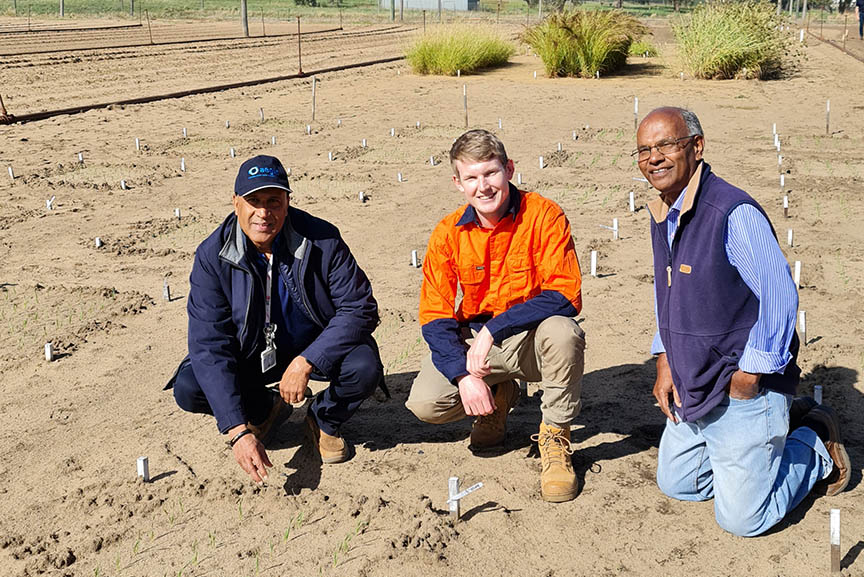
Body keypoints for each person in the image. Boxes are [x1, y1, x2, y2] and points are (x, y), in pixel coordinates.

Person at [638, 107, 851, 537]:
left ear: (696, 147)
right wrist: (665, 359)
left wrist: (751, 372)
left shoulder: (730, 212)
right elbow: (669, 296)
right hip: (694, 380)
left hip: (741, 384)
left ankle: (813, 444)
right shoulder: (665, 212)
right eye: (644, 149)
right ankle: (760, 446)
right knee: (678, 484)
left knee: (742, 519)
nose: (654, 158)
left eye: (666, 145)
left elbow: (779, 293)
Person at [166, 155, 383, 484]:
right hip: (252, 352)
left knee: (364, 367)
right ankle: (265, 411)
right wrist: (238, 431)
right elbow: (209, 343)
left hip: (311, 345)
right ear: (236, 202)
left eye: (273, 201)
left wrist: (308, 360)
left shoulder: (322, 239)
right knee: (190, 386)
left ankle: (322, 420)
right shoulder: (212, 256)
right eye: (253, 201)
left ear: (287, 202)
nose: (263, 213)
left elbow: (359, 307)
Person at [406, 129, 586, 503]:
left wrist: (493, 329)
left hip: (534, 340)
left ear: (509, 170)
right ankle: (497, 394)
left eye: (491, 173)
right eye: (471, 177)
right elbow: (435, 315)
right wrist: (463, 375)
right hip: (478, 345)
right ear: (458, 183)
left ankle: (556, 438)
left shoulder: (544, 215)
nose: (483, 186)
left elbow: (565, 294)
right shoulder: (447, 233)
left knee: (563, 331)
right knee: (426, 403)